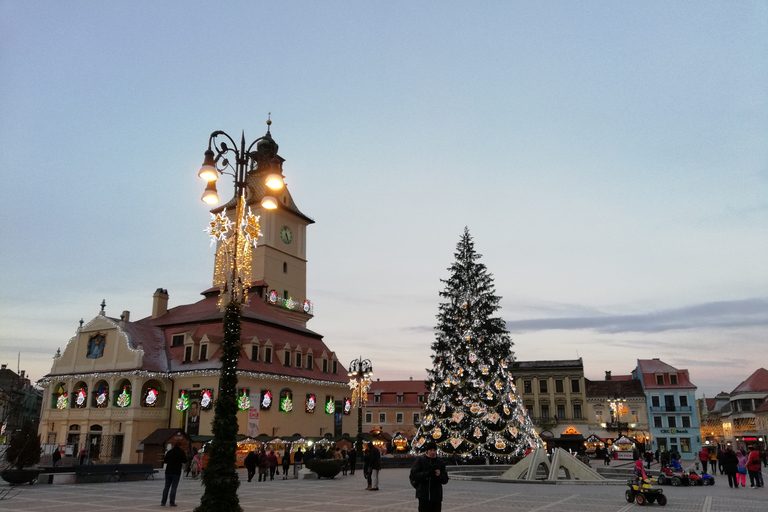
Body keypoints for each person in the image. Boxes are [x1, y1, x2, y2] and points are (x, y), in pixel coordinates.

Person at [411, 441, 449, 512]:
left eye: (434, 450)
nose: (433, 452)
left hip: (436, 497)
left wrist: (440, 475)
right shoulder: (420, 461)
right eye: (431, 450)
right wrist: (427, 473)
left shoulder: (440, 463)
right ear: (427, 451)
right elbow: (414, 475)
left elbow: (445, 480)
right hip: (424, 495)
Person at [161, 442, 187, 507]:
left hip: (168, 471)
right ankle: (172, 502)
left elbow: (165, 461)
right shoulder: (181, 452)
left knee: (166, 487)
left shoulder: (170, 452)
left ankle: (163, 502)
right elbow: (185, 461)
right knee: (174, 487)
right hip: (176, 472)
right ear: (180, 446)